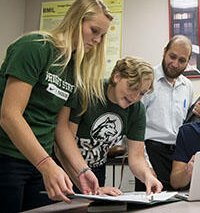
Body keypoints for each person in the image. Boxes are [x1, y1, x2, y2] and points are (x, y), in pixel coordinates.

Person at [0, 0, 113, 212]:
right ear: (76, 20)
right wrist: (47, 165)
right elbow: (10, 116)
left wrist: (82, 171)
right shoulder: (35, 47)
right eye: (94, 31)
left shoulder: (74, 69)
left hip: (39, 161)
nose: (97, 40)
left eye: (102, 36)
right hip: (4, 156)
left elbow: (61, 128)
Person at [56, 56, 163, 195]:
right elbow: (63, 147)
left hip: (97, 170)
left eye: (142, 93)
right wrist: (88, 188)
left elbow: (137, 157)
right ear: (117, 76)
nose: (135, 97)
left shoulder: (136, 109)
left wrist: (147, 176)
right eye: (133, 87)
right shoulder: (88, 94)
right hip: (64, 169)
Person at [135, 35, 194, 191]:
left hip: (178, 157)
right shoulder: (147, 80)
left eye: (182, 60)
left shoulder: (187, 86)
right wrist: (146, 166)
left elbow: (183, 125)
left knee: (179, 206)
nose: (175, 64)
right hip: (151, 153)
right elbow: (134, 128)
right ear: (164, 51)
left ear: (188, 62)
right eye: (172, 57)